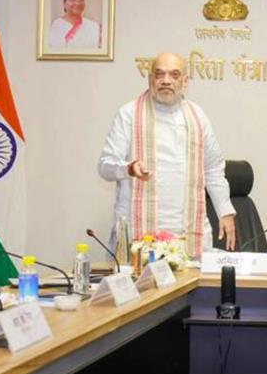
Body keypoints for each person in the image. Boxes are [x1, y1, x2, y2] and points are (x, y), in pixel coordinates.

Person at [98, 52, 236, 259]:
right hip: (137, 233)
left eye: (174, 75)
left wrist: (225, 211)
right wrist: (129, 168)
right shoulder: (128, 114)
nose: (166, 81)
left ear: (185, 81)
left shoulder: (198, 117)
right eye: (159, 74)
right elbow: (105, 166)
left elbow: (213, 169)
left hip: (188, 233)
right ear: (150, 79)